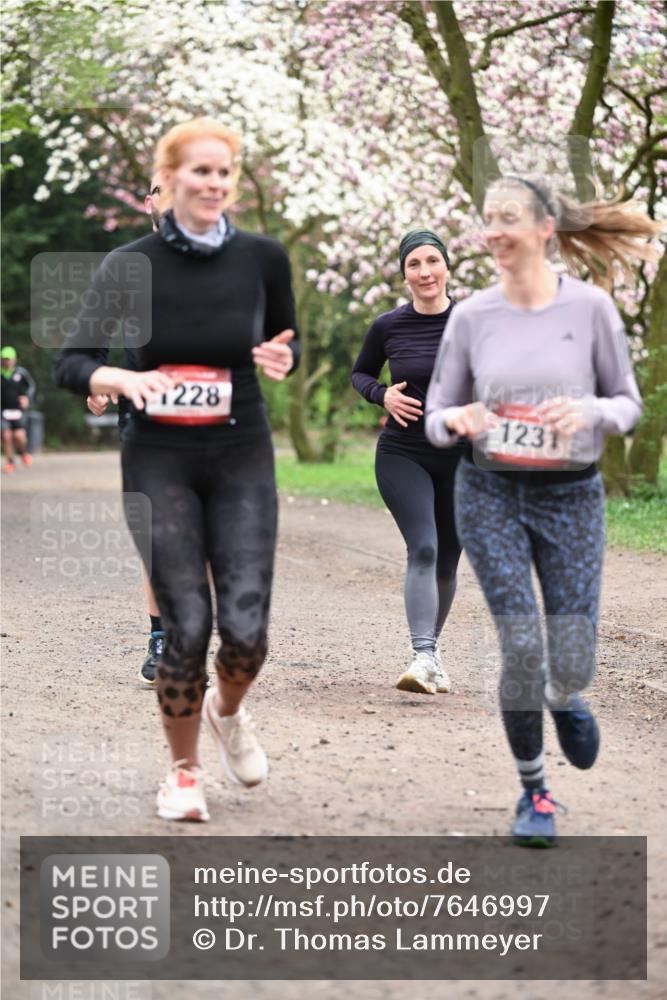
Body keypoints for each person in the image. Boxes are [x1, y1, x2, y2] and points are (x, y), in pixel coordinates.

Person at [55, 118, 299, 822]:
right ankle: (183, 772)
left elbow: (285, 342)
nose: (214, 184)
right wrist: (121, 379)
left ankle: (228, 711)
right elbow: (72, 361)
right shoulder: (129, 265)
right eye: (199, 171)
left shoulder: (263, 258)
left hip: (241, 449)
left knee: (248, 632)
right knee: (187, 625)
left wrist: (282, 360)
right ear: (166, 180)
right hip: (158, 456)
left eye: (224, 172)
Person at [425, 175, 661, 846]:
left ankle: (565, 693)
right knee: (522, 644)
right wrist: (459, 419)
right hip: (489, 490)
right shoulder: (471, 315)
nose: (493, 230)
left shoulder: (589, 310)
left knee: (570, 656)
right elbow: (438, 413)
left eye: (507, 218)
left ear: (544, 230)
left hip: (570, 496)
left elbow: (627, 403)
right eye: (487, 219)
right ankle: (535, 792)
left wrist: (588, 410)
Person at [352, 231, 463, 695]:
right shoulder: (387, 326)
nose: (424, 271)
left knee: (449, 557)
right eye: (414, 264)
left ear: (446, 268)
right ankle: (422, 654)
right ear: (404, 276)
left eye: (432, 260)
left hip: (466, 458)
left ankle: (430, 656)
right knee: (423, 547)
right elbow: (359, 372)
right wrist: (382, 395)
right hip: (403, 453)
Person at [86, 178, 167, 687]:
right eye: (161, 186)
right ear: (149, 201)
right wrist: (95, 375)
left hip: (213, 417)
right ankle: (163, 637)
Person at [1, 345, 36, 472]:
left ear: (14, 359)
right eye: (4, 358)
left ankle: (23, 453)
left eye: (9, 358)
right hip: (2, 411)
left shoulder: (21, 373)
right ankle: (10, 463)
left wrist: (27, 398)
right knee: (6, 436)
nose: (7, 361)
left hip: (18, 410)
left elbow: (31, 386)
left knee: (19, 436)